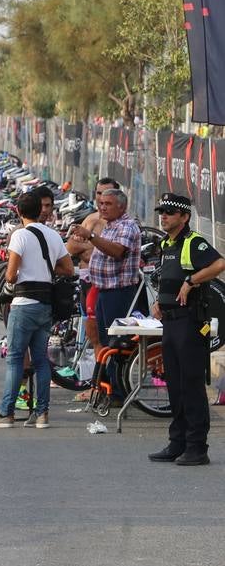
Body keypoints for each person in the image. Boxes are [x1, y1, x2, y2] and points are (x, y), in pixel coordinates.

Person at [0, 191, 73, 429]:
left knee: (15, 359)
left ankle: (5, 413)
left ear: (19, 212)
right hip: (46, 305)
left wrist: (18, 277)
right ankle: (42, 414)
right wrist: (45, 270)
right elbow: (68, 269)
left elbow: (11, 274)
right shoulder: (52, 235)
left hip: (23, 304)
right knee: (41, 360)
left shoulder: (20, 235)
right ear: (40, 210)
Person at [148, 193, 225, 466]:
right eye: (162, 211)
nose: (164, 216)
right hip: (169, 322)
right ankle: (177, 442)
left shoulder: (193, 242)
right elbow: (167, 279)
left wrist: (191, 281)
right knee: (175, 386)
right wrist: (158, 301)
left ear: (184, 217)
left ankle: (196, 447)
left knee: (191, 386)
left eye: (169, 212)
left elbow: (219, 264)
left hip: (190, 323)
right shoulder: (166, 244)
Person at [69, 188, 142, 405]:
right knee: (104, 342)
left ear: (122, 206)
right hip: (102, 290)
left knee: (118, 343)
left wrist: (91, 236)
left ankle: (118, 392)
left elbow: (117, 251)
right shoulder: (110, 226)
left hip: (119, 293)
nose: (102, 207)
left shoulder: (127, 227)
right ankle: (107, 387)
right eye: (101, 203)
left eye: (108, 204)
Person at [66, 178, 121, 379]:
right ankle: (93, 382)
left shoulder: (122, 225)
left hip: (109, 285)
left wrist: (90, 246)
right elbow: (71, 248)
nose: (102, 200)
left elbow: (114, 254)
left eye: (107, 196)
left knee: (107, 336)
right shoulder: (91, 220)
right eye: (99, 194)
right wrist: (99, 247)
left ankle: (107, 382)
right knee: (91, 335)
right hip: (87, 281)